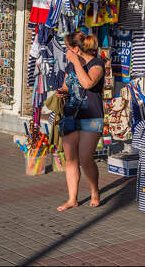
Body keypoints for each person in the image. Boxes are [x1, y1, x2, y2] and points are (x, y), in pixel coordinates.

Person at [55, 31, 105, 211]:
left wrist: (76, 62)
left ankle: (94, 191)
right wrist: (62, 91)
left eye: (68, 48)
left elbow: (88, 84)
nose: (66, 52)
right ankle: (72, 199)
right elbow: (69, 85)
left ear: (76, 49)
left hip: (91, 116)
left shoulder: (97, 63)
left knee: (85, 158)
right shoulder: (71, 65)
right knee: (70, 159)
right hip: (71, 114)